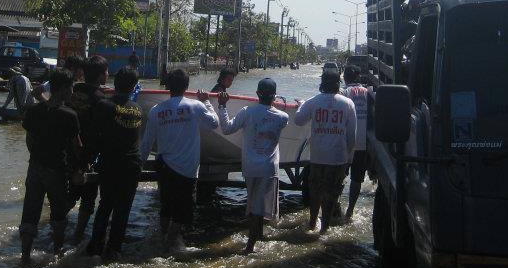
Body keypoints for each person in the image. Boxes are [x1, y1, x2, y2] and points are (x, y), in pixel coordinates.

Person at [139, 68, 219, 251]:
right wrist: (207, 101)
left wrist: (140, 164)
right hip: (187, 168)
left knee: (166, 205)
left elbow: (147, 142)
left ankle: (162, 237)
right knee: (185, 210)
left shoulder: (156, 110)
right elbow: (214, 123)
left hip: (164, 166)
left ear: (168, 87)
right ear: (187, 86)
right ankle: (171, 242)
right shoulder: (194, 106)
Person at [212, 78, 289, 254]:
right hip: (268, 169)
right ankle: (251, 246)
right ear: (275, 97)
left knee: (254, 205)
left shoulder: (247, 112)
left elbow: (227, 128)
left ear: (257, 94)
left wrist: (222, 106)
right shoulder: (283, 117)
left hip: (250, 167)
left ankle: (254, 241)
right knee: (259, 207)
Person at [19, 69, 82, 263]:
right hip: (57, 170)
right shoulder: (69, 115)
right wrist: (79, 170)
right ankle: (57, 254)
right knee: (58, 216)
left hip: (35, 169)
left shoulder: (34, 112)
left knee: (30, 213)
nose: (72, 92)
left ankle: (25, 256)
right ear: (63, 89)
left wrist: (37, 157)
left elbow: (29, 140)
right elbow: (77, 146)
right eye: (71, 88)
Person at [86, 65, 145, 259]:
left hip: (110, 163)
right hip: (131, 165)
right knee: (123, 210)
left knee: (105, 206)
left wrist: (85, 162)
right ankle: (114, 250)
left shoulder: (104, 106)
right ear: (134, 86)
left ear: (114, 82)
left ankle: (95, 247)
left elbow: (93, 138)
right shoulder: (138, 110)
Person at [293, 70, 356, 234]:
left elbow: (298, 120)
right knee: (332, 193)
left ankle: (312, 223)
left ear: (322, 84)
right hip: (337, 158)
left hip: (317, 157)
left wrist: (301, 105)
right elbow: (352, 137)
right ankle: (325, 228)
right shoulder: (348, 103)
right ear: (338, 84)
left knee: (315, 192)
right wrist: (348, 158)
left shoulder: (313, 102)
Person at [68, 55, 108, 243]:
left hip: (67, 152)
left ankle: (56, 228)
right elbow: (100, 131)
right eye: (106, 72)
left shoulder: (72, 92)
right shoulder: (101, 100)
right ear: (101, 75)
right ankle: (78, 234)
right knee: (88, 198)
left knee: (68, 195)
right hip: (88, 156)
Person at [342, 65, 373, 221]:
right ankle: (350, 212)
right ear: (359, 78)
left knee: (340, 176)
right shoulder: (369, 93)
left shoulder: (344, 92)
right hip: (363, 143)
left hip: (345, 143)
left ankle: (335, 208)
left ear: (345, 78)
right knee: (357, 179)